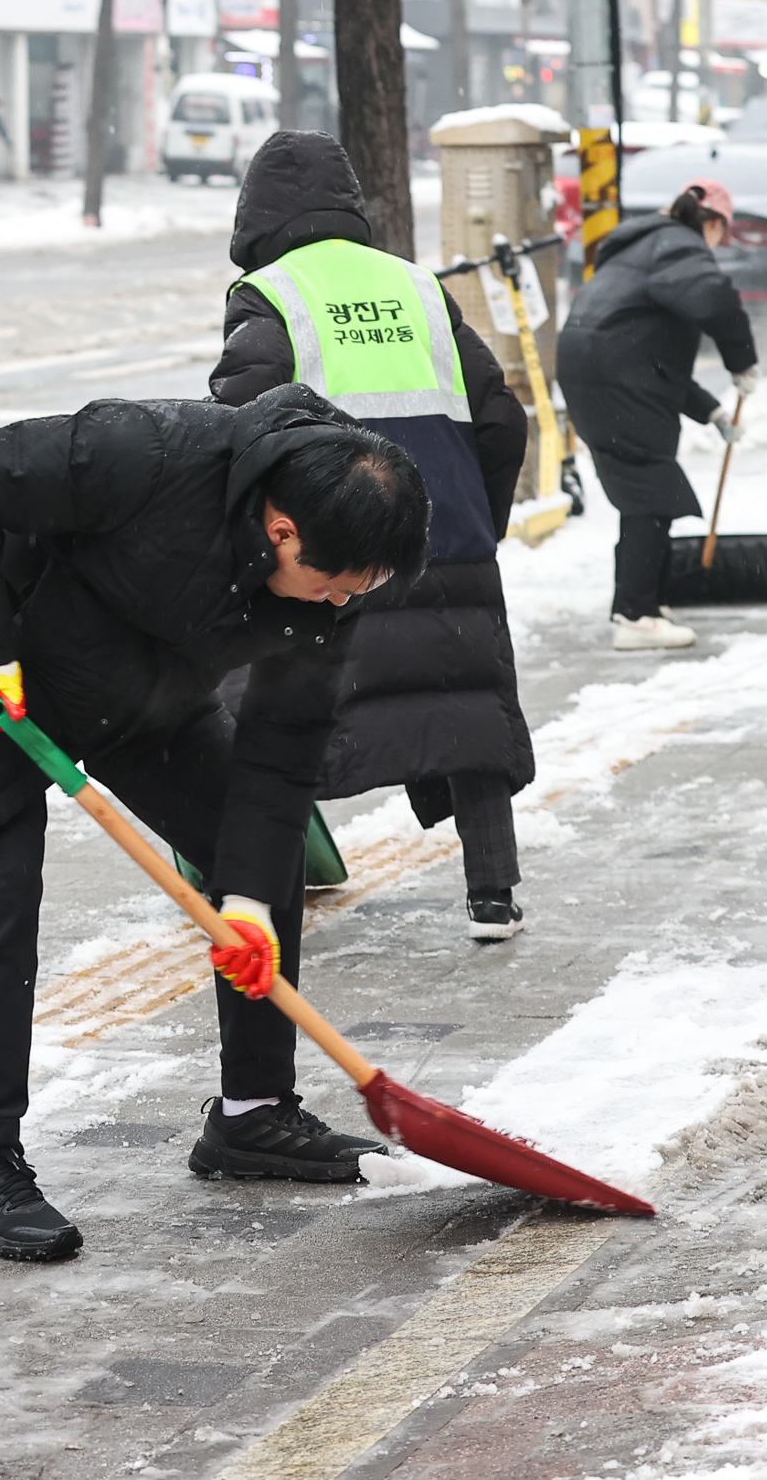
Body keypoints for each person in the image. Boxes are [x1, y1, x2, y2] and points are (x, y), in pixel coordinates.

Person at [0, 386, 431, 1261]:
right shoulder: (148, 453)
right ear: (282, 530)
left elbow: (281, 753)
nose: (336, 606)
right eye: (330, 587)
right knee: (1, 888)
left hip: (140, 696)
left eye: (355, 593)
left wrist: (244, 900)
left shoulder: (340, 564)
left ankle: (252, 1117)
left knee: (262, 853)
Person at [208, 131, 536, 941]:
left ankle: (262, 880)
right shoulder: (419, 288)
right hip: (445, 536)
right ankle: (492, 892)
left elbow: (239, 429)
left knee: (273, 707)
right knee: (467, 707)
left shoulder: (271, 294)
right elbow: (501, 416)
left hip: (331, 547)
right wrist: (472, 523)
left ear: (256, 216)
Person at [555, 179, 758, 651]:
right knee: (651, 491)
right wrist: (741, 360)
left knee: (645, 490)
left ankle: (644, 603)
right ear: (711, 222)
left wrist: (712, 412)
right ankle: (635, 615)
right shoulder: (679, 247)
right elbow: (718, 300)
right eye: (721, 234)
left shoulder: (643, 246)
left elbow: (650, 358)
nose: (718, 246)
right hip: (615, 379)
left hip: (600, 374)